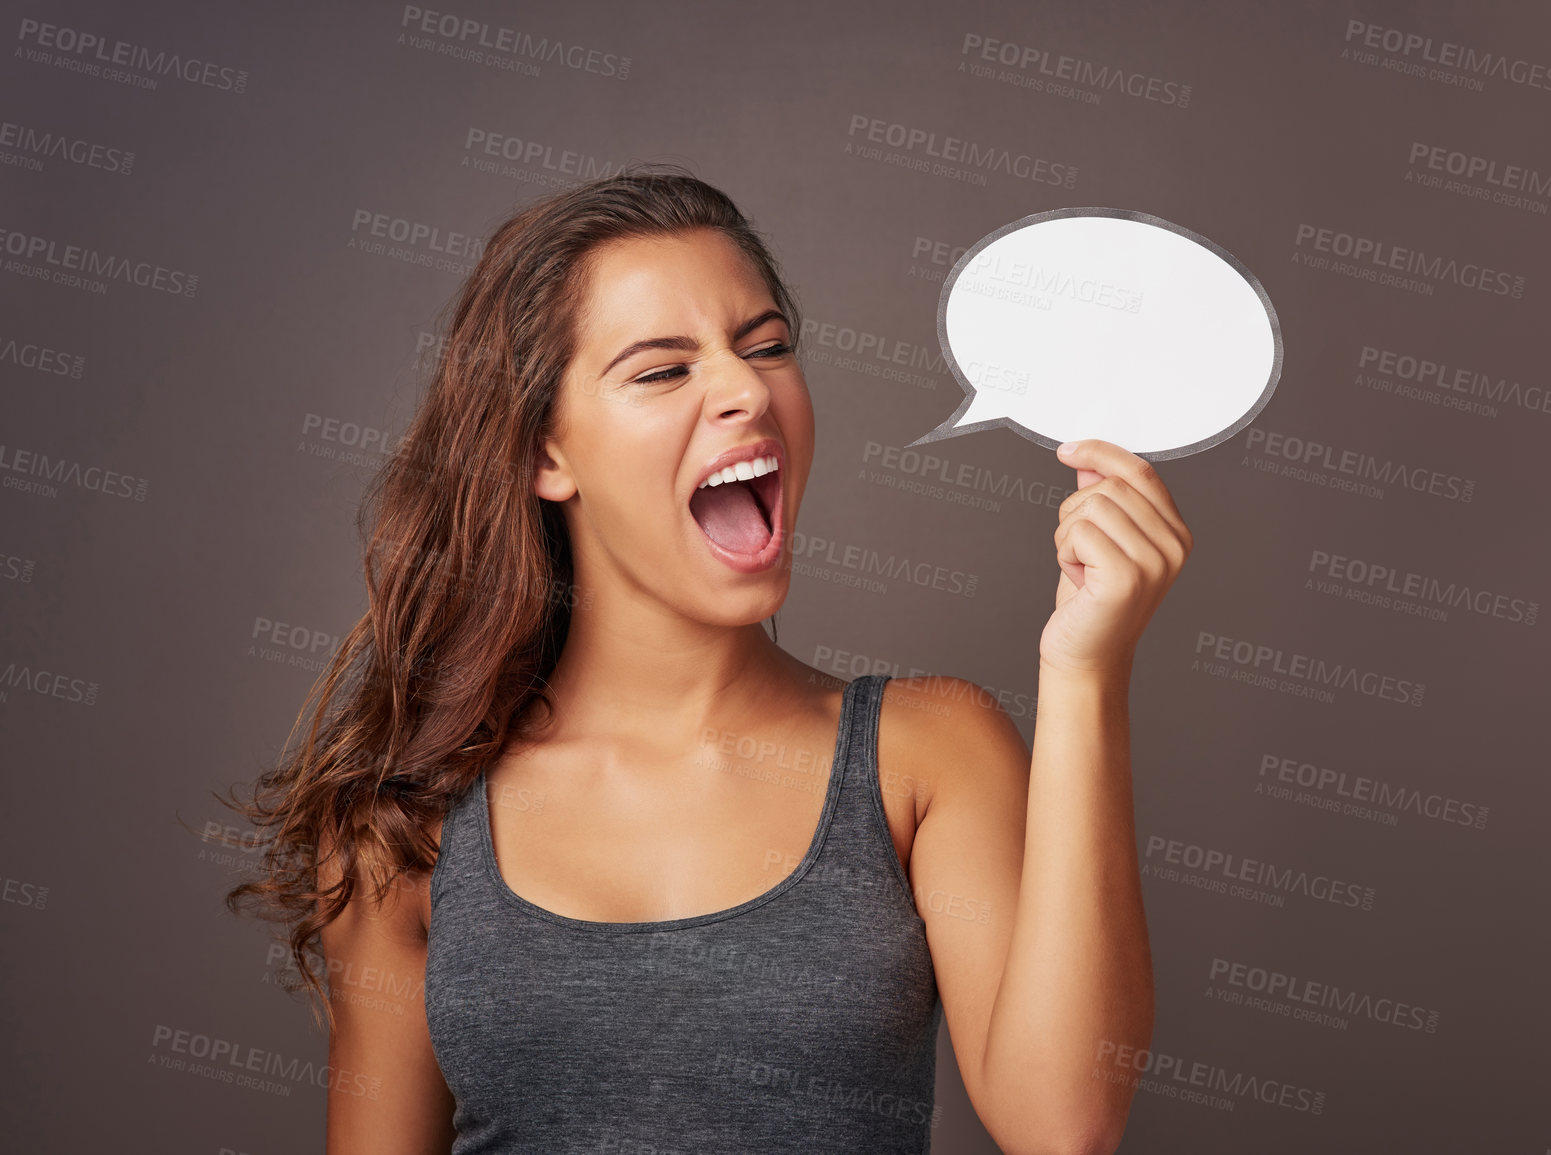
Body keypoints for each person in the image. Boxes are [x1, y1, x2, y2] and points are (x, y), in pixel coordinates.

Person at [221, 164, 1192, 1154]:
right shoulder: (411, 824)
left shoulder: (927, 755)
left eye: (765, 347)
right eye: (661, 369)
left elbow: (1063, 1125)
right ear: (544, 453)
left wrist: (1083, 673)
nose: (745, 390)